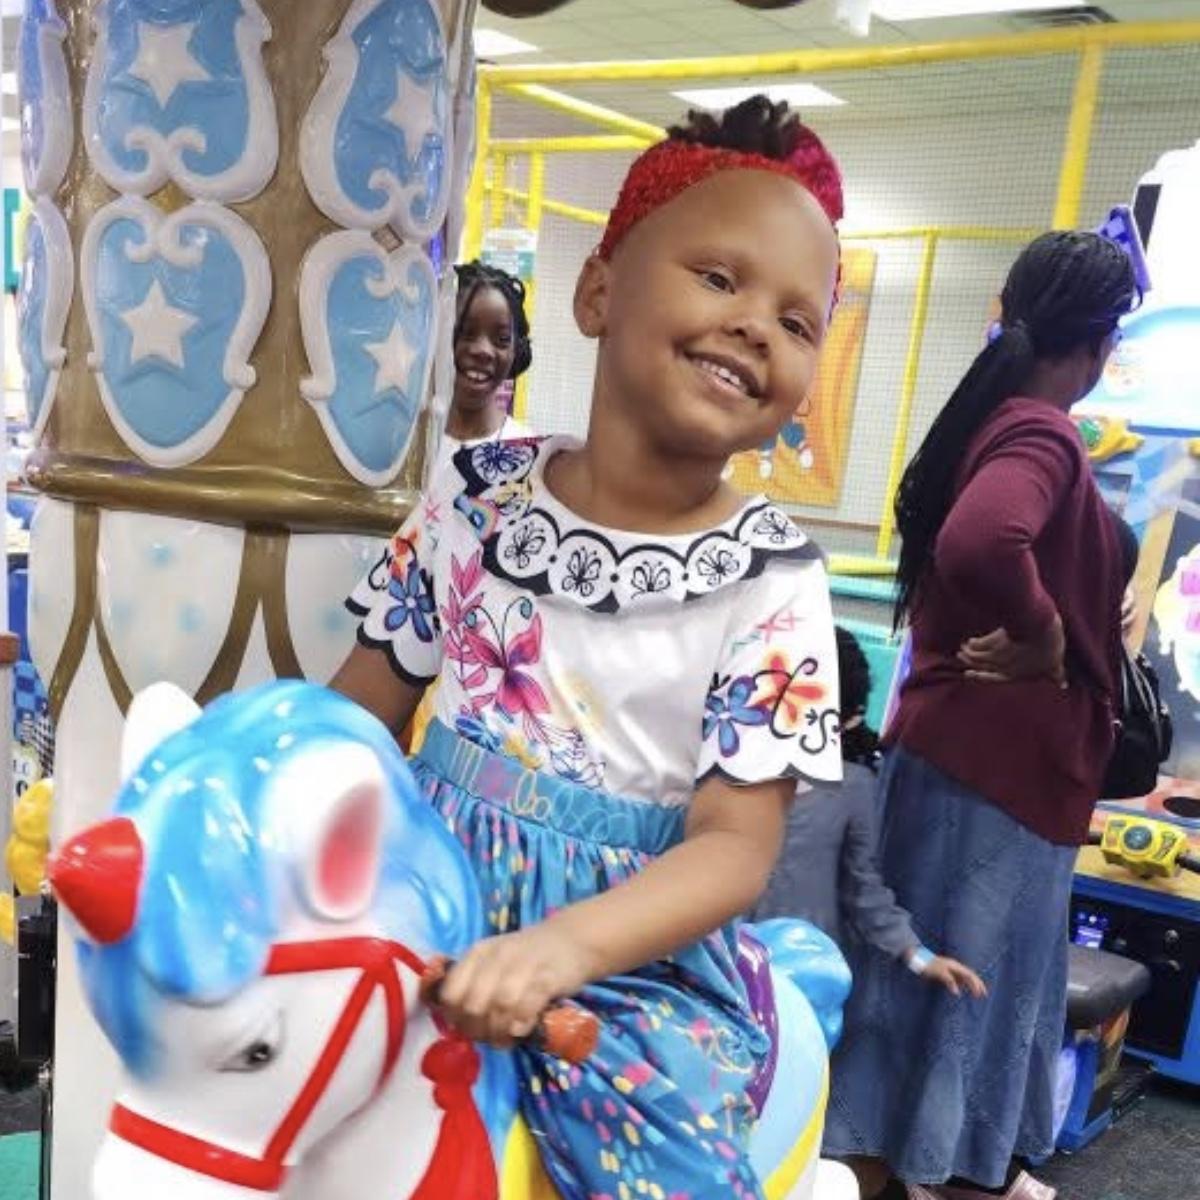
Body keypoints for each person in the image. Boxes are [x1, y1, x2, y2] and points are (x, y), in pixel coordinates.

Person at [333, 96, 845, 1198]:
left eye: (799, 322)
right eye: (720, 277)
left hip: (624, 964)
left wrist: (563, 949)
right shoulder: (472, 496)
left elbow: (734, 847)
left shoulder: (773, 577)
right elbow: (354, 711)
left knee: (655, 1153)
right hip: (418, 889)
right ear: (599, 290)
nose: (758, 325)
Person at [823, 231, 1139, 1200]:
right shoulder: (1044, 432)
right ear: (1099, 348)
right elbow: (983, 537)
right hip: (1000, 792)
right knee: (962, 1010)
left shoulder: (986, 419)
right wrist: (1046, 633)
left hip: (956, 769)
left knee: (910, 1009)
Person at [753, 626, 986, 1000]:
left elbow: (863, 888)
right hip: (726, 961)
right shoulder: (728, 773)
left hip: (806, 974)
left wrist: (918, 956)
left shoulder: (853, 787)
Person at [432, 260, 533, 477]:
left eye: (502, 339)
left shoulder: (526, 457)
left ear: (517, 351)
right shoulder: (404, 443)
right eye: (465, 332)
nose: (483, 350)